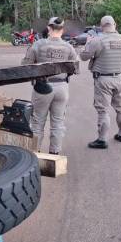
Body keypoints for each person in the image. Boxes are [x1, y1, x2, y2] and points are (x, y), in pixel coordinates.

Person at [21, 17, 78, 155]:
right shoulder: (69, 47)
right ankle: (54, 154)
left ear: (48, 28)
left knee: (37, 123)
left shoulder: (38, 45)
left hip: (43, 88)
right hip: (62, 88)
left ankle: (34, 154)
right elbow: (75, 69)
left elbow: (25, 66)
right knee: (58, 123)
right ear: (62, 30)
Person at [80, 15, 121, 149]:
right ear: (115, 24)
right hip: (120, 78)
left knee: (103, 110)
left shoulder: (97, 40)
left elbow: (84, 57)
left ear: (101, 26)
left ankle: (102, 139)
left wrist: (87, 43)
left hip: (103, 79)